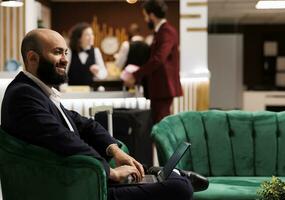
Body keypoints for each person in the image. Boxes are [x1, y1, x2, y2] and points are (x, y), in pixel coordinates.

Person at [1, 28, 208, 200]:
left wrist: (115, 151)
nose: (64, 59)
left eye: (66, 52)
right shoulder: (24, 95)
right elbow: (63, 139)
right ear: (32, 58)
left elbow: (84, 124)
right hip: (72, 188)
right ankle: (168, 175)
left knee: (170, 181)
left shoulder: (35, 90)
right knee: (179, 188)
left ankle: (158, 173)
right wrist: (110, 172)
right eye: (57, 52)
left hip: (79, 179)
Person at [123, 0, 183, 123]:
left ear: (151, 15)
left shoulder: (166, 31)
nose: (145, 20)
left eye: (145, 16)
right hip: (160, 88)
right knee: (159, 124)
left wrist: (135, 75)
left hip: (163, 87)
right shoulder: (161, 31)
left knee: (161, 125)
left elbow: (158, 59)